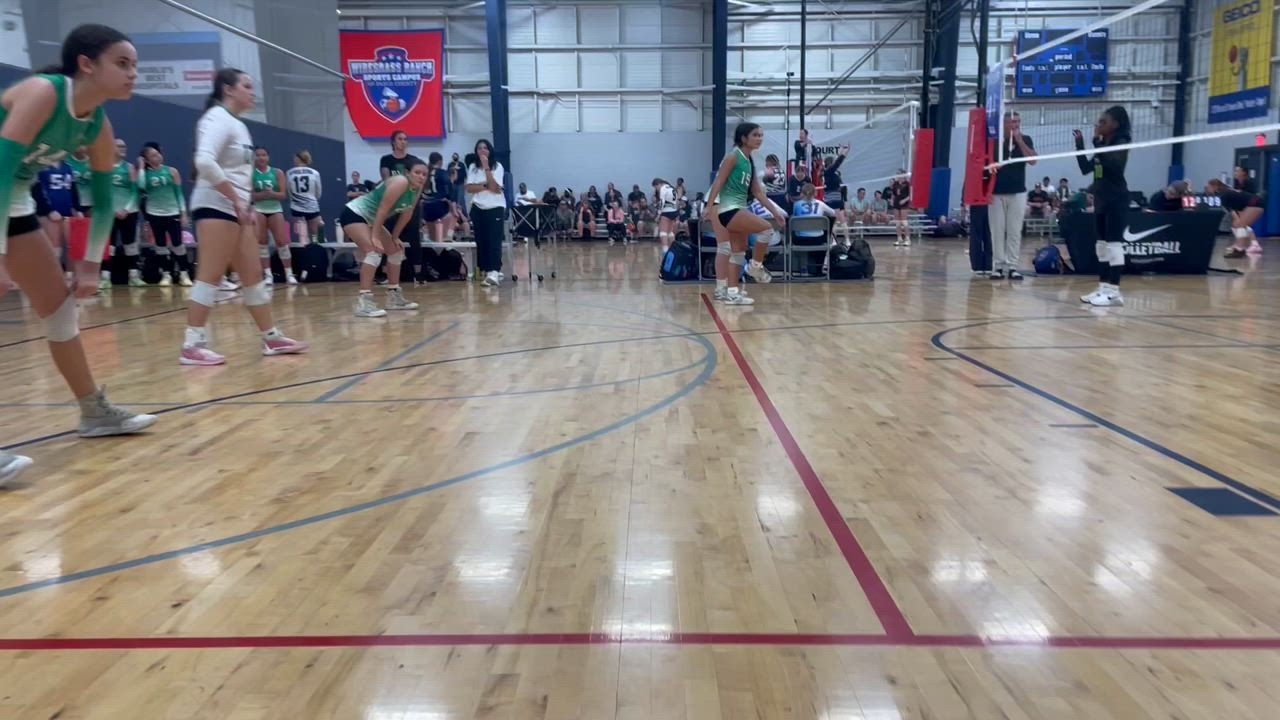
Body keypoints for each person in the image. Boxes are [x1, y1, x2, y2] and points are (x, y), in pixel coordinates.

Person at [0, 24, 159, 483]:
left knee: (60, 310)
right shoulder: (43, 92)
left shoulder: (96, 123)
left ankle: (94, 411)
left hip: (14, 202)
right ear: (87, 65)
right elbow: (1, 169)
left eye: (135, 66)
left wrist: (90, 265)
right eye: (122, 64)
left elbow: (105, 203)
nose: (132, 74)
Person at [180, 68, 308, 365]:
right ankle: (192, 344)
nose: (253, 92)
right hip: (215, 205)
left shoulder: (238, 125)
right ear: (228, 89)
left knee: (253, 276)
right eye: (247, 86)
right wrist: (236, 198)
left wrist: (243, 202)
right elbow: (204, 162)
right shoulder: (216, 118)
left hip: (238, 209)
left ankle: (271, 337)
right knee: (210, 275)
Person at [705, 122, 789, 305]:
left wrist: (775, 213)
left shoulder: (749, 161)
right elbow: (718, 182)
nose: (760, 138)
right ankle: (724, 286)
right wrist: (708, 206)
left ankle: (732, 292)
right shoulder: (733, 156)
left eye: (761, 135)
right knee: (727, 246)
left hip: (737, 206)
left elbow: (758, 192)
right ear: (744, 138)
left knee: (739, 250)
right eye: (755, 135)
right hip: (722, 204)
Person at [340, 160, 426, 316]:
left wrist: (395, 237)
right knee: (373, 251)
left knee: (396, 251)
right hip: (355, 214)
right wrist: (375, 237)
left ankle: (394, 298)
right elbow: (383, 209)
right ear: (408, 173)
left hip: (371, 219)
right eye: (417, 172)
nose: (421, 176)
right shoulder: (400, 182)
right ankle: (364, 302)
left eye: (424, 174)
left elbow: (407, 214)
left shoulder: (417, 189)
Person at [1075, 105, 1132, 307]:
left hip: (1117, 199)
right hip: (1101, 200)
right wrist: (1080, 145)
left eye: (1103, 122)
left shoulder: (1121, 142)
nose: (1098, 125)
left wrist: (1097, 143)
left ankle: (1114, 292)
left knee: (1114, 245)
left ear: (1115, 124)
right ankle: (1103, 288)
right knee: (1101, 246)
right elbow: (1085, 168)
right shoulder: (1103, 146)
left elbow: (1115, 166)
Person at [137, 142, 192, 286]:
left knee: (178, 244)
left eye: (158, 154)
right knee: (160, 245)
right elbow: (141, 187)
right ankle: (166, 275)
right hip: (154, 213)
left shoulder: (172, 171)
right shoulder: (144, 175)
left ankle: (184, 274)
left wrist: (183, 213)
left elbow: (179, 194)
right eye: (153, 155)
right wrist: (141, 168)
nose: (158, 156)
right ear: (147, 160)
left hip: (172, 212)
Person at [990, 111, 1037, 277]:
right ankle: (998, 266)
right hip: (996, 193)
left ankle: (1012, 267)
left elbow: (1033, 161)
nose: (1016, 125)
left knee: (1014, 231)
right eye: (1012, 122)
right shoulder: (995, 141)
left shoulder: (1026, 139)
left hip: (1018, 192)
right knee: (997, 231)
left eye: (1018, 121)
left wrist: (1020, 141)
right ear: (1004, 124)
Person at [380, 130, 424, 282]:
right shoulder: (386, 160)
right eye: (400, 139)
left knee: (414, 237)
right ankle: (386, 274)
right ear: (393, 142)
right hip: (393, 204)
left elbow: (419, 184)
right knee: (388, 235)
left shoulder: (414, 160)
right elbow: (386, 180)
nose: (403, 141)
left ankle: (418, 273)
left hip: (410, 204)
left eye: (405, 139)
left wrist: (413, 203)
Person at [465, 139, 506, 286]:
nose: (482, 150)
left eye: (485, 148)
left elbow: (496, 188)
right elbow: (469, 188)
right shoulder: (473, 167)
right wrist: (485, 186)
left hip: (495, 207)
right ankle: (487, 269)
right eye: (479, 148)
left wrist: (487, 167)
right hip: (477, 207)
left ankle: (494, 271)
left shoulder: (497, 166)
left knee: (494, 240)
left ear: (490, 150)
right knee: (481, 241)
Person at [250, 147, 294, 285]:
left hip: (275, 209)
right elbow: (250, 195)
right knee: (262, 242)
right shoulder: (251, 173)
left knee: (281, 241)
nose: (261, 158)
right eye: (258, 155)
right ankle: (268, 275)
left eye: (264, 155)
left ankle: (289, 274)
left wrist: (272, 194)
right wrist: (262, 195)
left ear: (268, 157)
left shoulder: (277, 172)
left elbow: (283, 194)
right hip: (259, 209)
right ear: (254, 157)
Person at [1208, 179, 1265, 258]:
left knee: (1240, 225)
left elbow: (1233, 213)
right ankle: (1247, 245)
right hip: (1253, 203)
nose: (1208, 189)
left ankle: (1240, 249)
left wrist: (1238, 220)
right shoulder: (1227, 191)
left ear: (1214, 186)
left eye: (1209, 187)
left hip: (1254, 203)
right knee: (1237, 225)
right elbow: (1238, 205)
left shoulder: (1223, 195)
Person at [36, 158, 74, 260]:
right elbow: (36, 191)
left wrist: (77, 209)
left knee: (68, 247)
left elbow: (73, 189)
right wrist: (48, 211)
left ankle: (64, 269)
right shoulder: (40, 166)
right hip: (48, 213)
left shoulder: (68, 167)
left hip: (66, 211)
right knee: (52, 247)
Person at [287, 150, 323, 245]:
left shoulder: (289, 172)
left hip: (296, 207)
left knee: (300, 234)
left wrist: (295, 200)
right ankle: (314, 248)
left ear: (298, 158)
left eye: (295, 157)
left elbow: (289, 191)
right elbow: (318, 192)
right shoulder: (315, 173)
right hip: (312, 206)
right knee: (314, 233)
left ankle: (302, 247)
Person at [653, 177, 678, 250]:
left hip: (666, 212)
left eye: (655, 187)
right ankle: (673, 249)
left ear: (658, 184)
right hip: (674, 211)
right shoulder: (672, 188)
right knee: (670, 232)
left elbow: (662, 202)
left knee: (663, 232)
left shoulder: (663, 189)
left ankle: (665, 251)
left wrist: (658, 214)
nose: (656, 189)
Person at [889, 172, 912, 247]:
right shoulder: (895, 184)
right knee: (897, 222)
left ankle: (907, 239)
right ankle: (899, 238)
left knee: (904, 221)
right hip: (897, 203)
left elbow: (910, 195)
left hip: (904, 204)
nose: (898, 176)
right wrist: (892, 200)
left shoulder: (907, 184)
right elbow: (893, 194)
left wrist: (904, 200)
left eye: (899, 174)